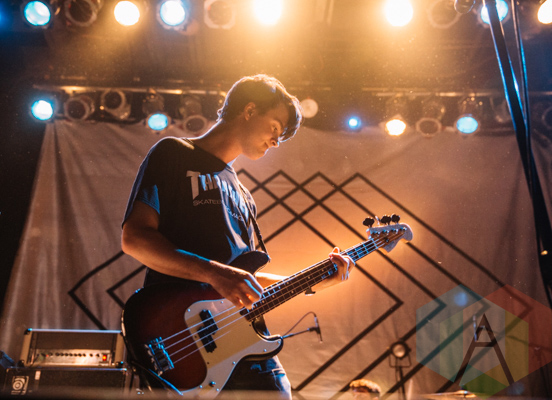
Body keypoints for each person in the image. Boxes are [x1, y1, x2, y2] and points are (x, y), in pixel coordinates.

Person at [121, 74, 354, 399]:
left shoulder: (245, 197)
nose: (276, 141)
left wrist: (312, 282)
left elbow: (244, 281)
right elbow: (134, 238)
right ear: (249, 110)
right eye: (275, 127)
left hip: (243, 344)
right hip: (180, 339)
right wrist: (214, 273)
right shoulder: (173, 153)